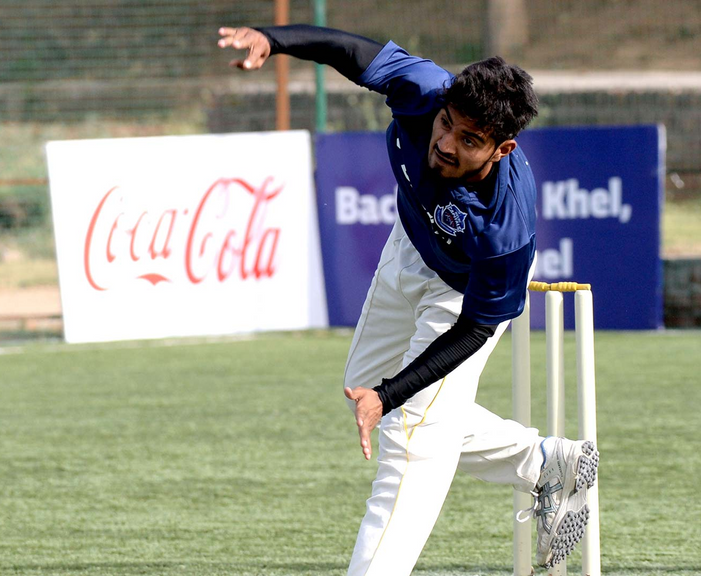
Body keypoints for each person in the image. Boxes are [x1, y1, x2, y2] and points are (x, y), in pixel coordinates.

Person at [217, 24, 599, 575]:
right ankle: (544, 463)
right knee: (363, 387)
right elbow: (350, 52)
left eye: (470, 140)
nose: (446, 143)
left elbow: (472, 331)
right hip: (409, 244)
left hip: (462, 293)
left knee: (409, 437)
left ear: (502, 148)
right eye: (447, 125)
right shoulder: (427, 88)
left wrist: (392, 395)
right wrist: (273, 41)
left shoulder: (504, 231)